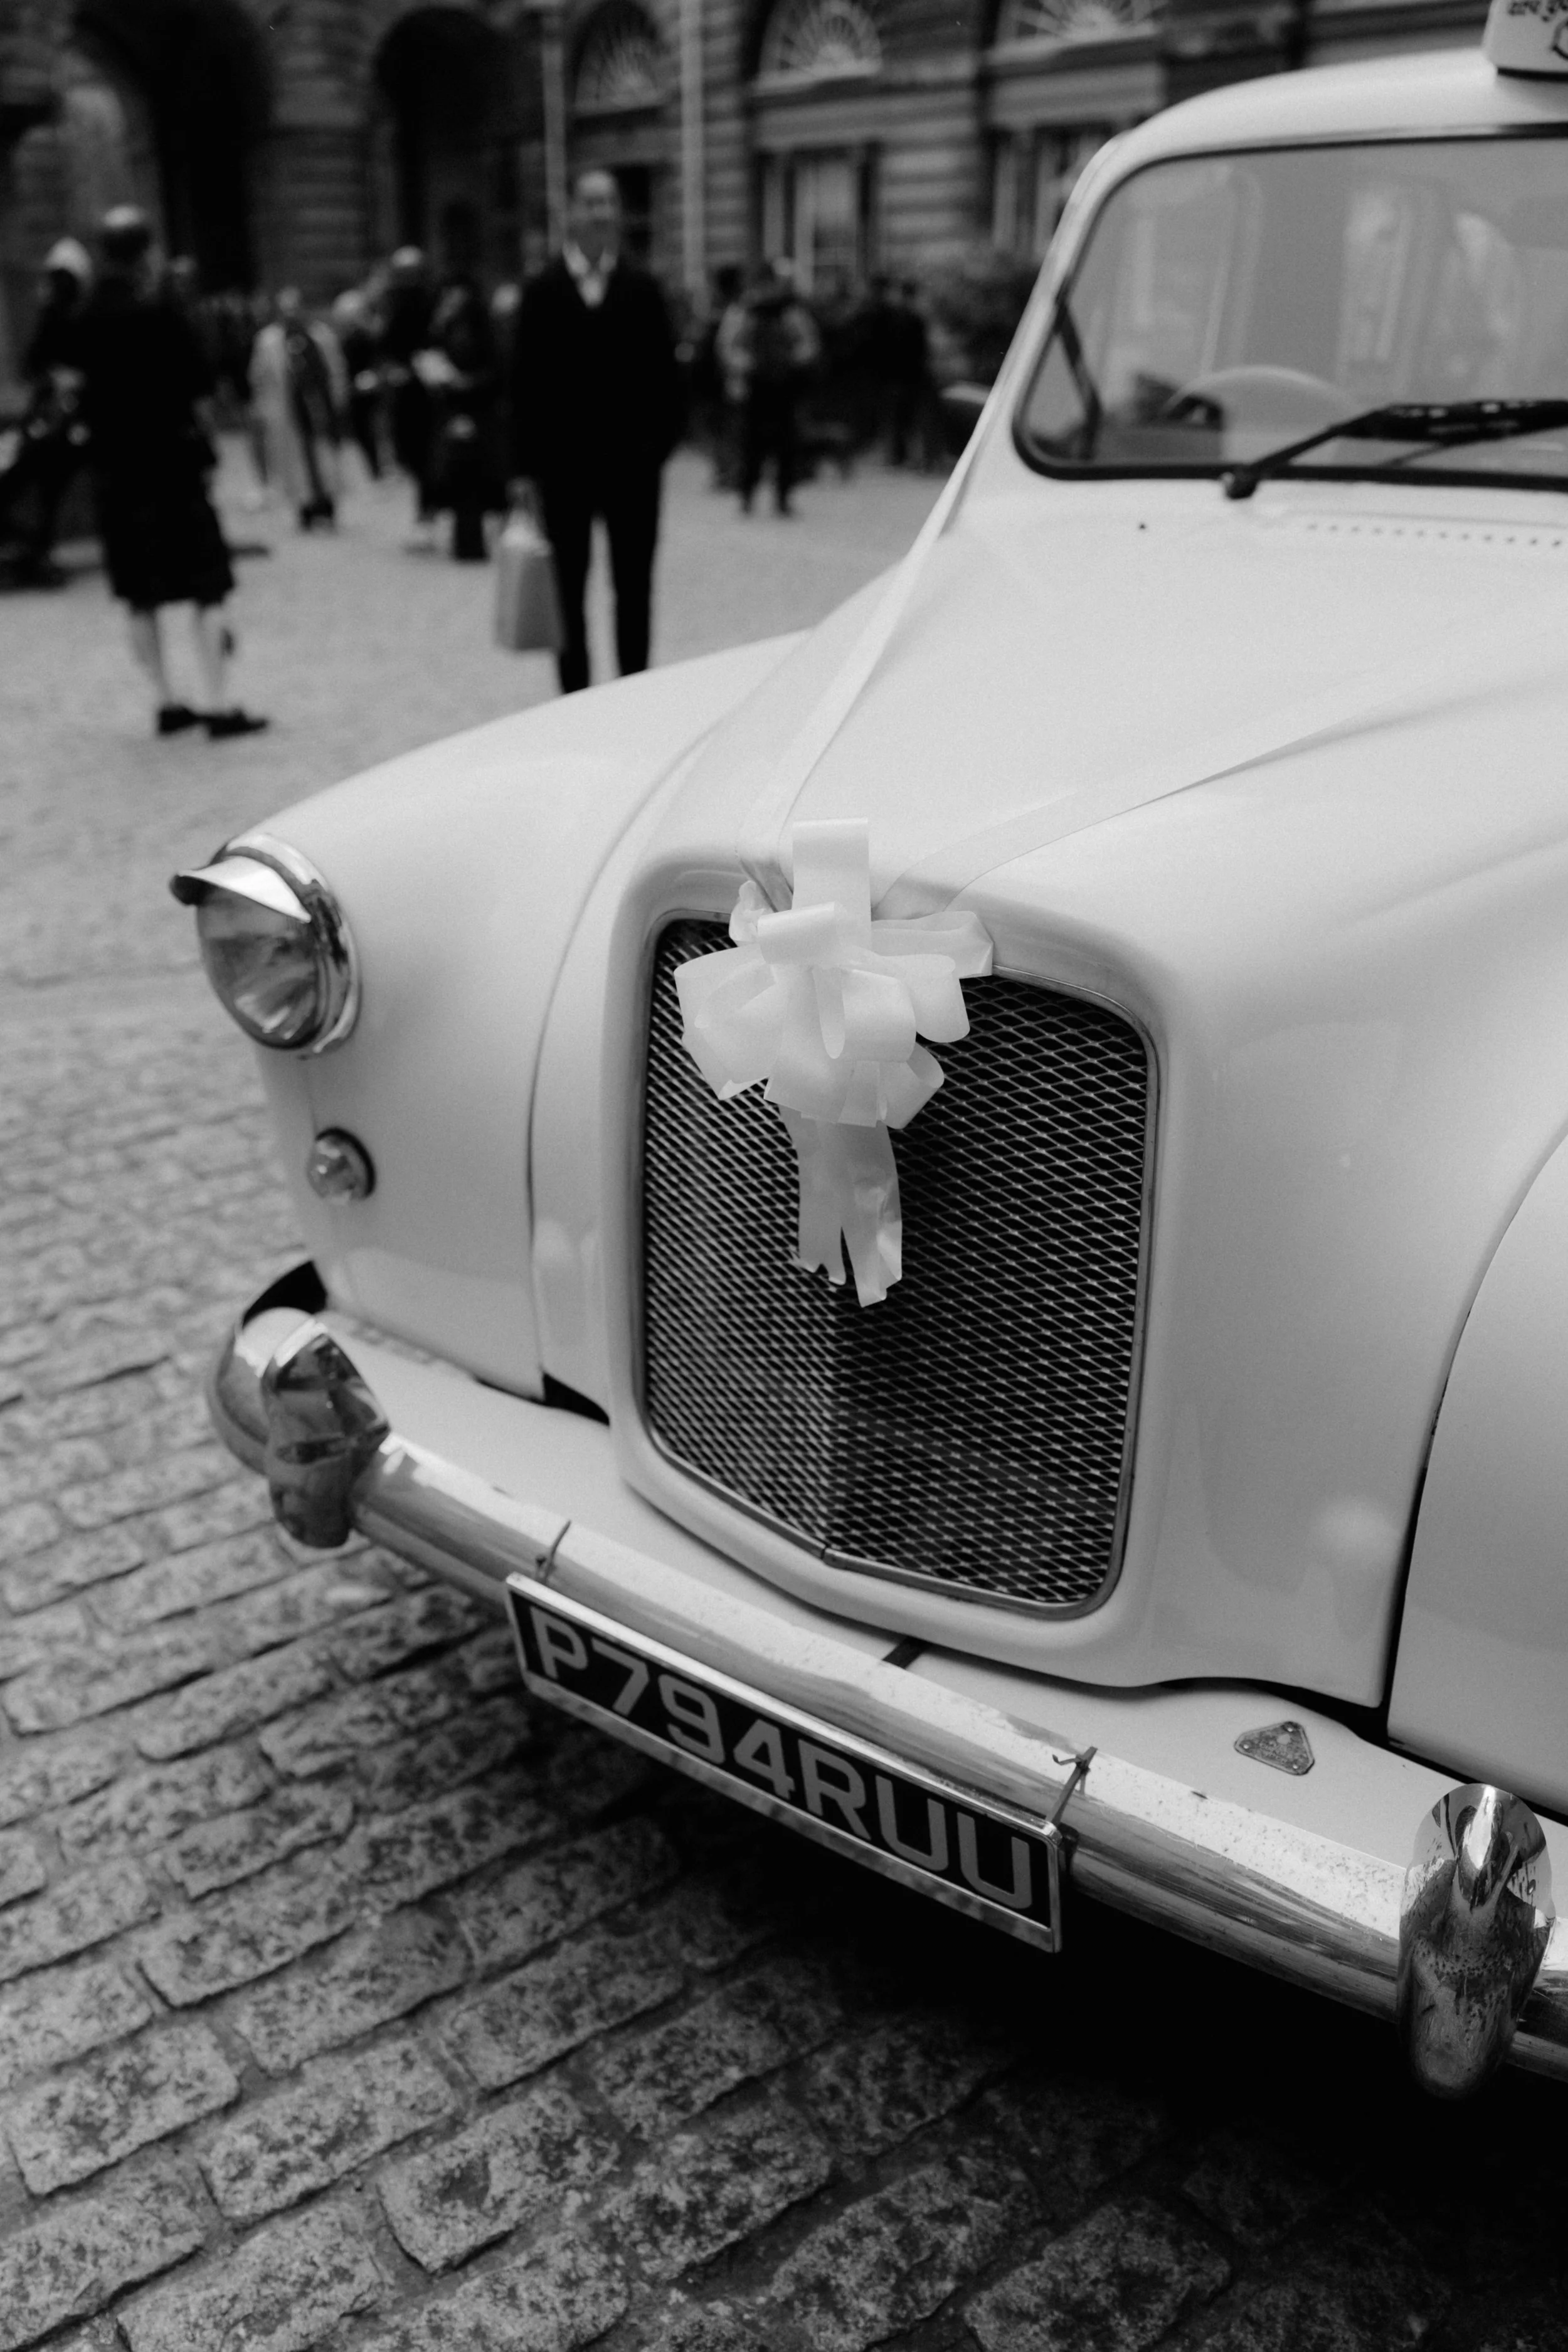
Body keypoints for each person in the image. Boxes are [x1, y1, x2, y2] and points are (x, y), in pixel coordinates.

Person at [71, 206, 266, 738]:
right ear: (145, 252)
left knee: (139, 591)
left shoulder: (84, 315)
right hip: (172, 467)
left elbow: (62, 376)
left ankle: (167, 700)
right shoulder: (160, 311)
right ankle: (219, 704)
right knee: (208, 586)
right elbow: (200, 388)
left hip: (115, 472)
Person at [509, 169, 682, 693]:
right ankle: (577, 700)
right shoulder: (541, 291)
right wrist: (522, 469)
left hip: (633, 469)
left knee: (634, 590)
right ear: (572, 211)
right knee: (567, 593)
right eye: (590, 202)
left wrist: (656, 449)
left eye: (609, 202)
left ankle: (634, 693)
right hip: (563, 471)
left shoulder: (644, 287)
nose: (601, 212)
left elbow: (670, 381)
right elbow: (521, 386)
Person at [0, 238, 91, 586]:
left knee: (44, 487)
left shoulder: (67, 316)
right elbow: (33, 366)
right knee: (36, 485)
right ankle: (32, 550)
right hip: (52, 422)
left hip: (61, 423)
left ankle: (35, 549)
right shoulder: (59, 316)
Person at [250, 288, 346, 529]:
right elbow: (260, 377)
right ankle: (304, 507)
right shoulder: (268, 340)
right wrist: (264, 409)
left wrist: (337, 401)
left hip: (316, 406)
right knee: (294, 461)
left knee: (323, 456)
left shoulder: (321, 335)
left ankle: (326, 503)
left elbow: (335, 370)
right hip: (286, 410)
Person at [734, 260, 820, 517]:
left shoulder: (786, 312)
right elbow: (732, 346)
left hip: (780, 386)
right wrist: (752, 365)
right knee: (754, 445)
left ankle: (779, 496)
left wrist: (790, 362)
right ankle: (750, 495)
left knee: (782, 445)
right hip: (759, 386)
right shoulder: (748, 311)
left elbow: (808, 344)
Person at [379, 246, 440, 549]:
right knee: (415, 455)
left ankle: (428, 515)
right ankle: (427, 513)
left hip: (428, 394)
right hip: (409, 394)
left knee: (428, 456)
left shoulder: (427, 303)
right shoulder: (398, 303)